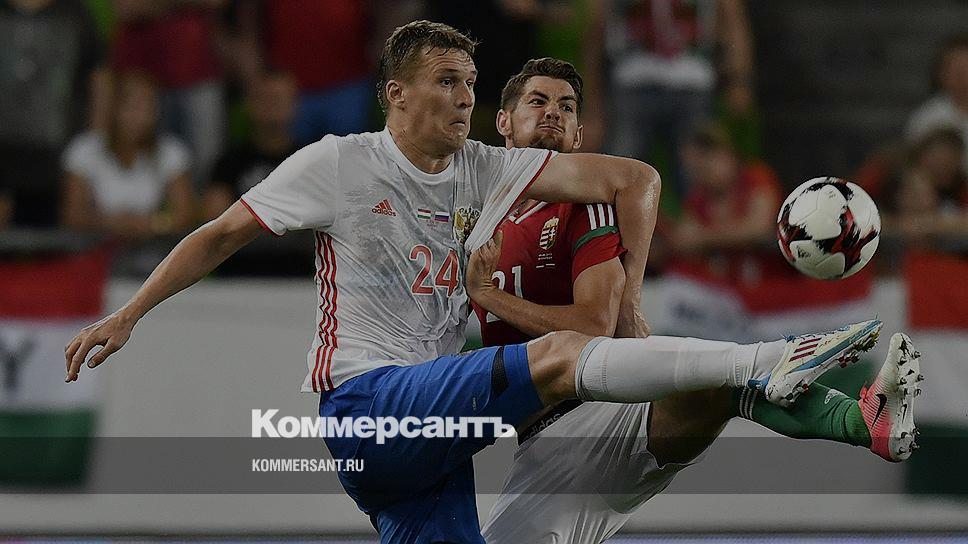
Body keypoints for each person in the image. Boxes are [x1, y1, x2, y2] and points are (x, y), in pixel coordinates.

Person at [66, 22, 886, 543]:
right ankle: (764, 360)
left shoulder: (488, 168)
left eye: (468, 81)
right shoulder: (339, 163)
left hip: (433, 446)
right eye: (447, 82)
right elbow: (219, 234)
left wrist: (633, 298)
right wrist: (130, 313)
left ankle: (854, 419)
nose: (464, 96)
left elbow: (634, 178)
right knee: (563, 353)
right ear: (396, 95)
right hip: (367, 402)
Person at [469, 58, 924, 544]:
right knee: (718, 384)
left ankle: (849, 409)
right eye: (538, 102)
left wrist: (491, 297)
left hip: (596, 420)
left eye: (566, 106)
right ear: (503, 122)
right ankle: (809, 382)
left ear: (579, 134)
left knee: (715, 385)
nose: (553, 113)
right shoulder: (474, 216)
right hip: (539, 449)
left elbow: (593, 325)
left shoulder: (584, 205)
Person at [60, 70, 195, 240]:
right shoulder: (84, 150)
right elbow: (72, 215)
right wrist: (110, 223)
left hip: (153, 248)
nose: (140, 117)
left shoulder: (171, 152)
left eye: (148, 107)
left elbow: (185, 215)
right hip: (94, 246)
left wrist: (153, 223)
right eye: (133, 106)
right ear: (115, 108)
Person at [203, 70, 299, 220]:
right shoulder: (228, 162)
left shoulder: (311, 158)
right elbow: (215, 219)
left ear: (295, 104)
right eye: (262, 98)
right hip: (246, 236)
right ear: (248, 104)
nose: (270, 106)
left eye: (277, 99)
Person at [906, 34, 968, 170]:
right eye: (955, 68)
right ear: (940, 73)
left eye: (966, 66)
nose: (962, 75)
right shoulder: (926, 118)